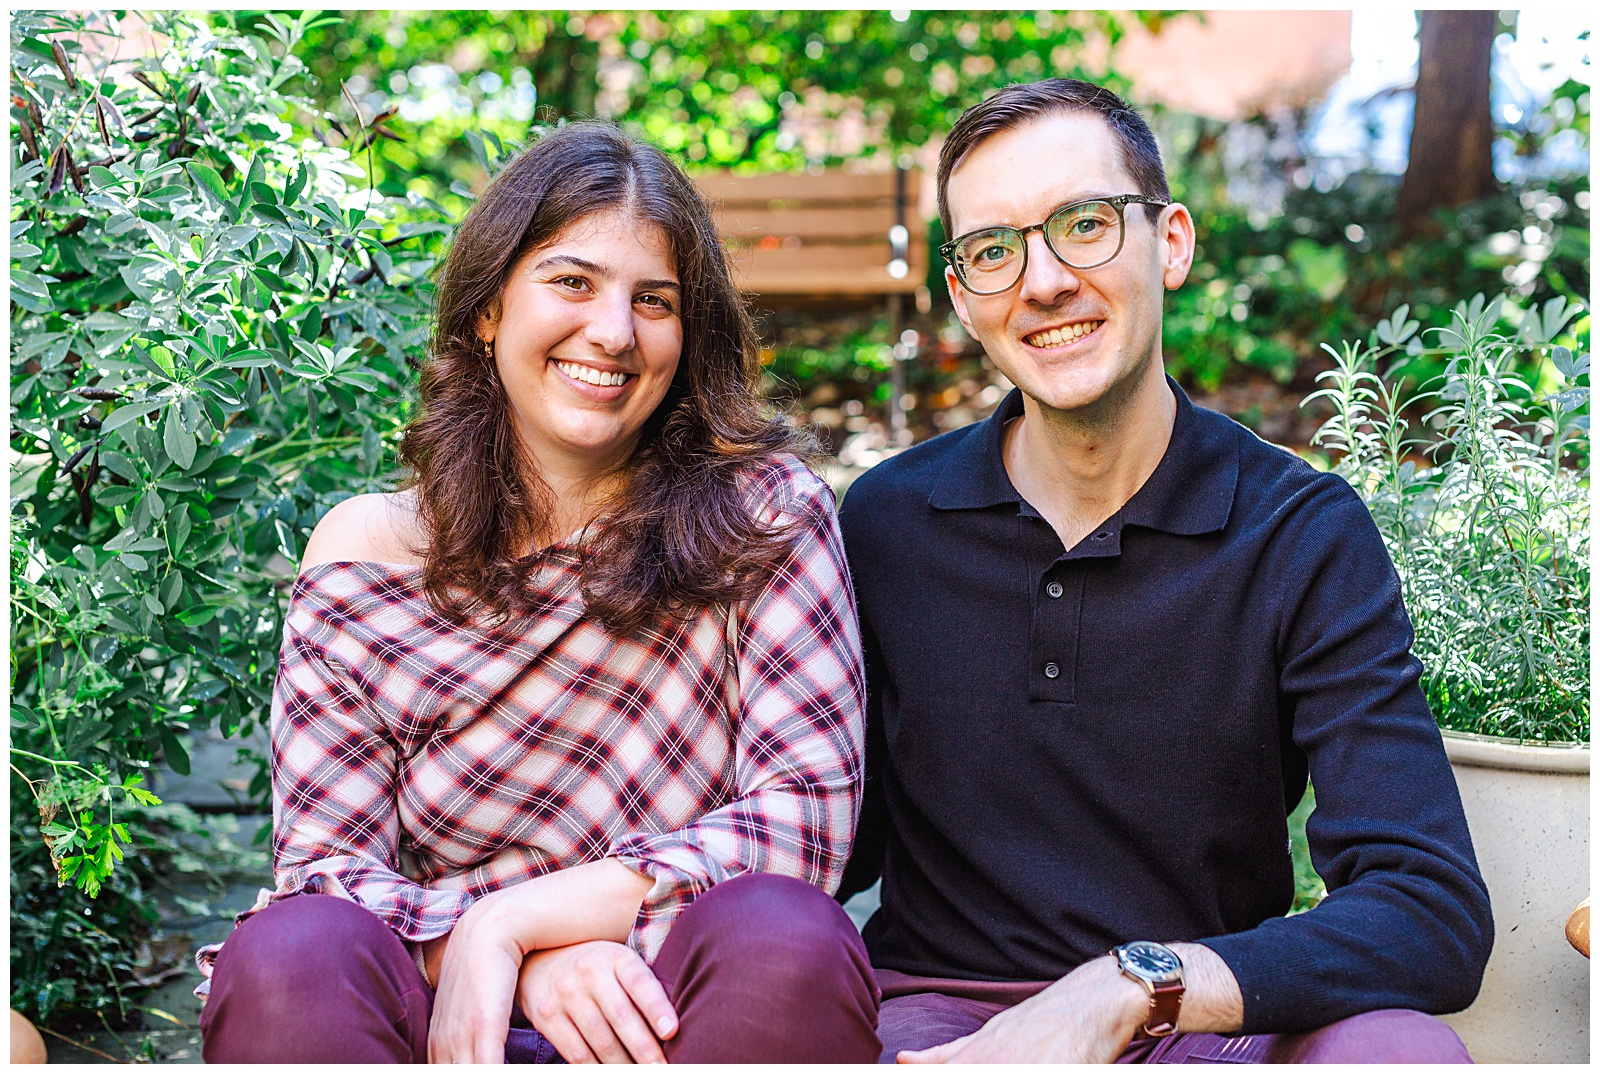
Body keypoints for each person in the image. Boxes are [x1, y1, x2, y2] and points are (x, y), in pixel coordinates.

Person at [836, 79, 1494, 1064]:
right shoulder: (888, 522)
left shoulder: (1298, 533)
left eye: (1085, 223)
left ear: (1171, 241)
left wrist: (1134, 983)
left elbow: (1428, 907)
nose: (1044, 279)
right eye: (992, 250)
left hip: (1198, 1018)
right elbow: (823, 835)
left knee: (1401, 1053)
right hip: (938, 1029)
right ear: (966, 299)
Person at [197, 122, 881, 1064]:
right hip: (445, 1018)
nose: (613, 331)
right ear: (488, 309)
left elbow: (804, 822)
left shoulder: (761, 518)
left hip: (682, 1013)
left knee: (784, 930)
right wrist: (512, 962)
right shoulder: (368, 557)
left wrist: (515, 924)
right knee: (292, 952)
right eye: (571, 281)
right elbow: (325, 874)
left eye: (655, 300)